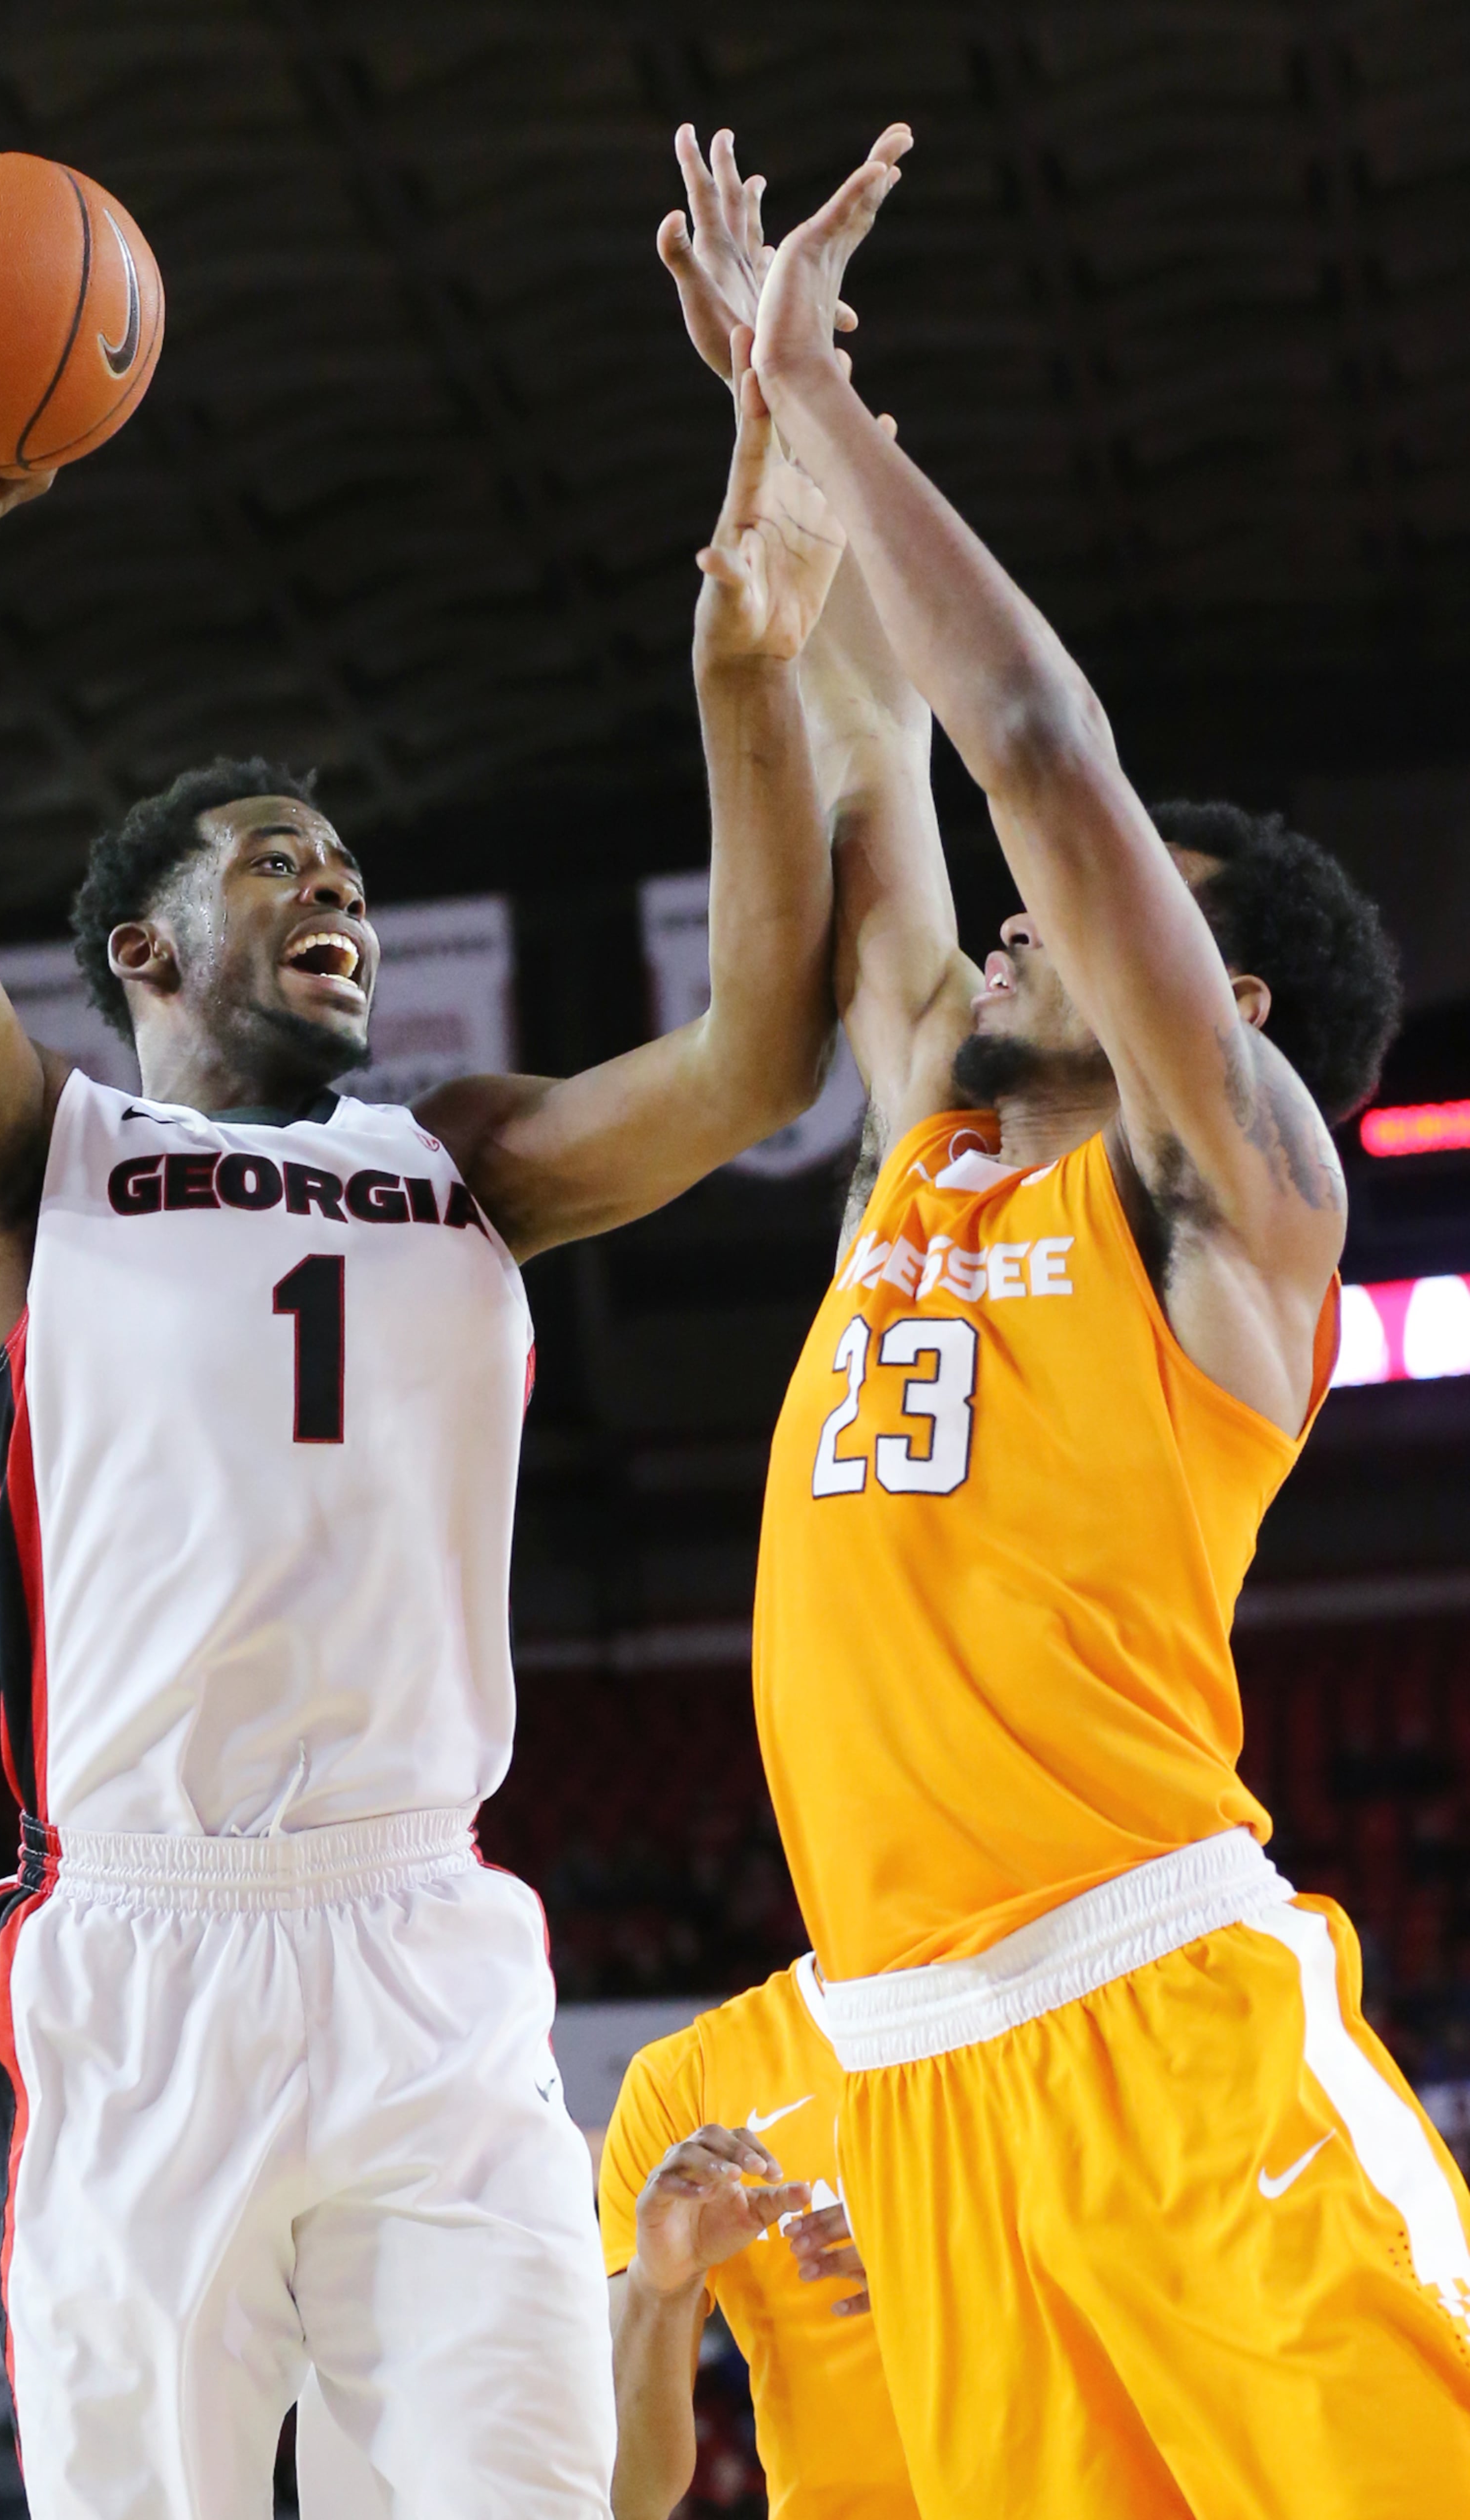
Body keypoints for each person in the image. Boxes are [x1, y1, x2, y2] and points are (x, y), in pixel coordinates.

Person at [0, 168, 882, 2509]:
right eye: (276, 860)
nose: (340, 892)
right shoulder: (32, 1158)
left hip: (423, 1943)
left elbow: (761, 1060)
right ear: (144, 953)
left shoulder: (467, 1153)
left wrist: (748, 669)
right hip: (143, 1953)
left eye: (353, 874)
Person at [659, 116, 1470, 2516]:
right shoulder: (930, 1130)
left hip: (1164, 2027)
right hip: (898, 2074)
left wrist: (831, 400)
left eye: (1074, 914)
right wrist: (774, 438)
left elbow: (1026, 745)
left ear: (1201, 985)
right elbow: (878, 744)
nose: (1007, 929)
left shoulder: (1243, 1200)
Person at [599, 1962, 919, 2520]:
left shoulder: (1056, 2024)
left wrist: (953, 2250)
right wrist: (664, 2288)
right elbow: (629, 2495)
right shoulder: (682, 2081)